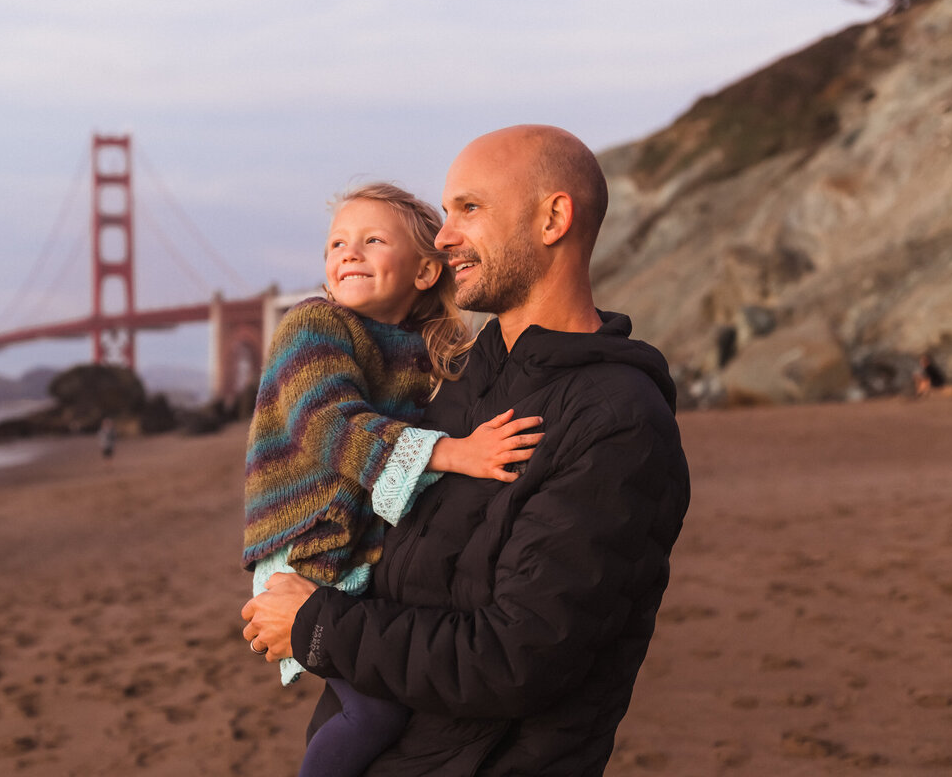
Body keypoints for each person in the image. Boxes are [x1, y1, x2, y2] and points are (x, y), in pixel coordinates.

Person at [242, 126, 692, 775]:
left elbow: (515, 657)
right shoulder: (466, 379)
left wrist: (319, 625)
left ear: (554, 218)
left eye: (469, 209)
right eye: (446, 212)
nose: (445, 235)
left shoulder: (617, 421)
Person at [242, 182, 544, 777]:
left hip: (363, 548)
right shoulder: (312, 326)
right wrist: (455, 455)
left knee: (375, 688)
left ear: (427, 270)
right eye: (337, 243)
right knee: (374, 715)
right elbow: (329, 426)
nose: (348, 253)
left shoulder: (426, 346)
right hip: (310, 550)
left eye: (372, 240)